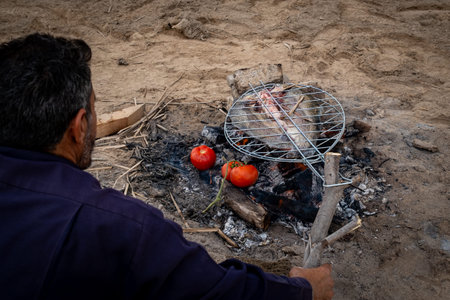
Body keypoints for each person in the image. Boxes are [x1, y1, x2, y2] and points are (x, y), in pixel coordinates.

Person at [0, 33, 334, 300]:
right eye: (94, 109)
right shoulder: (116, 226)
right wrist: (303, 291)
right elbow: (214, 291)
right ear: (79, 126)